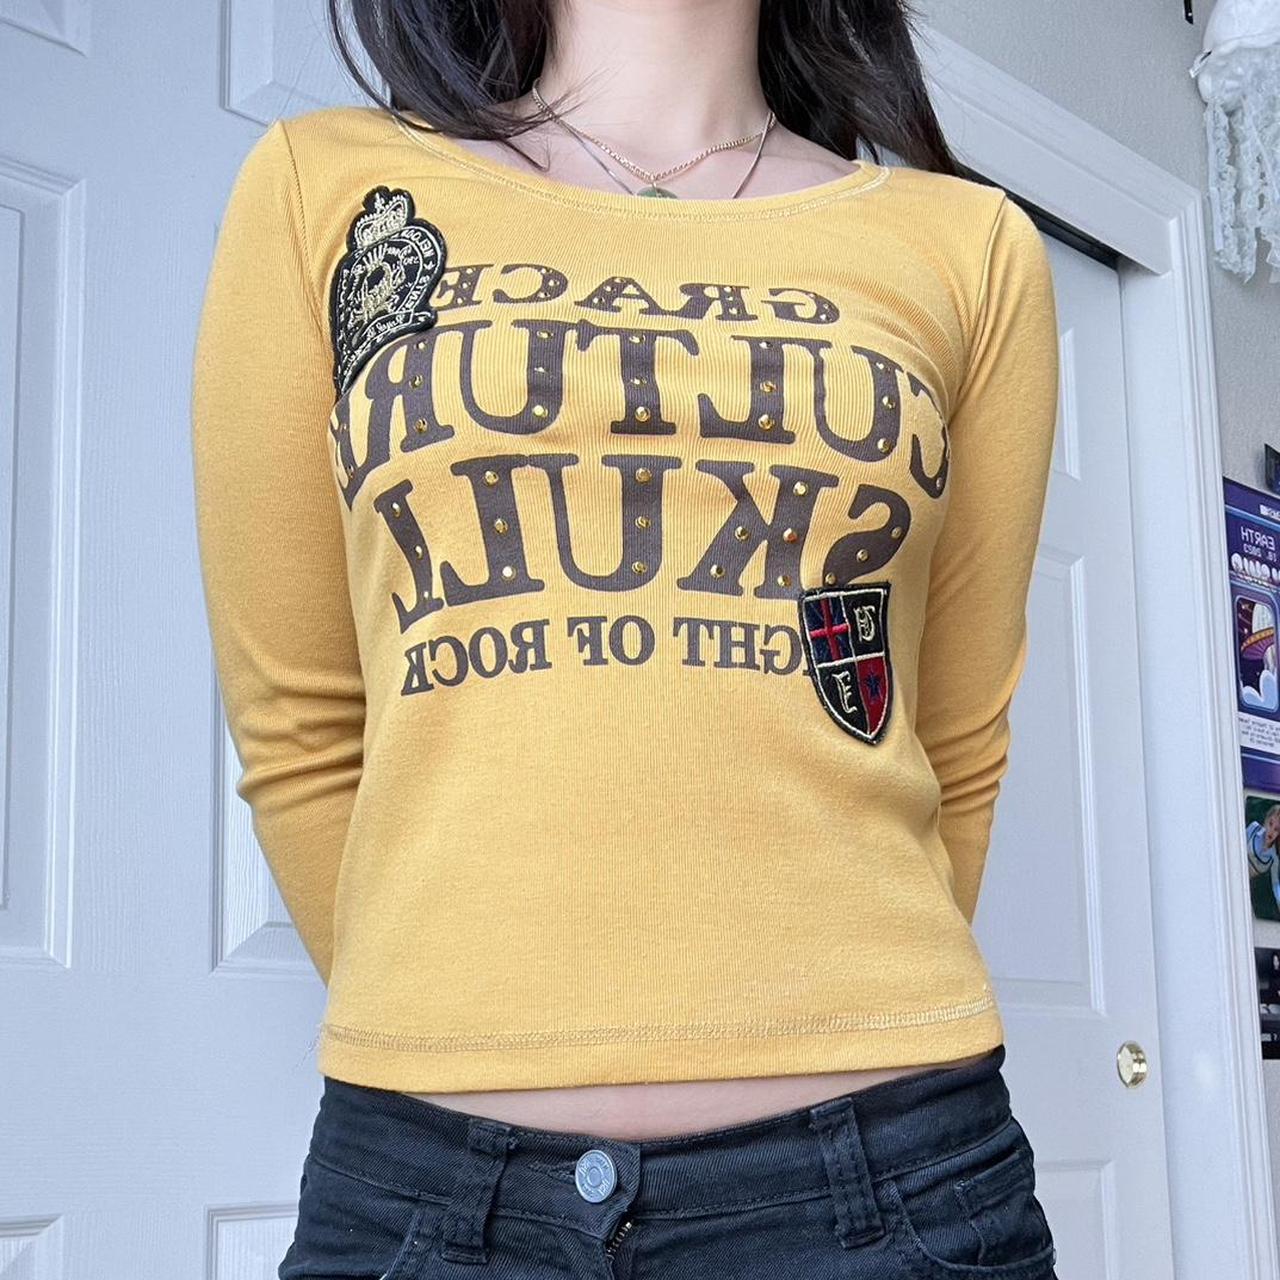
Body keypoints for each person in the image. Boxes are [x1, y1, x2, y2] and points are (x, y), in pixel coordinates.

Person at [190, 0, 1061, 1274]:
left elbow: (956, 742)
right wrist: (467, 1013)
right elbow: (300, 727)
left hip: (889, 1186)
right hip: (430, 1194)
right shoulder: (324, 188)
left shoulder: (966, 245)